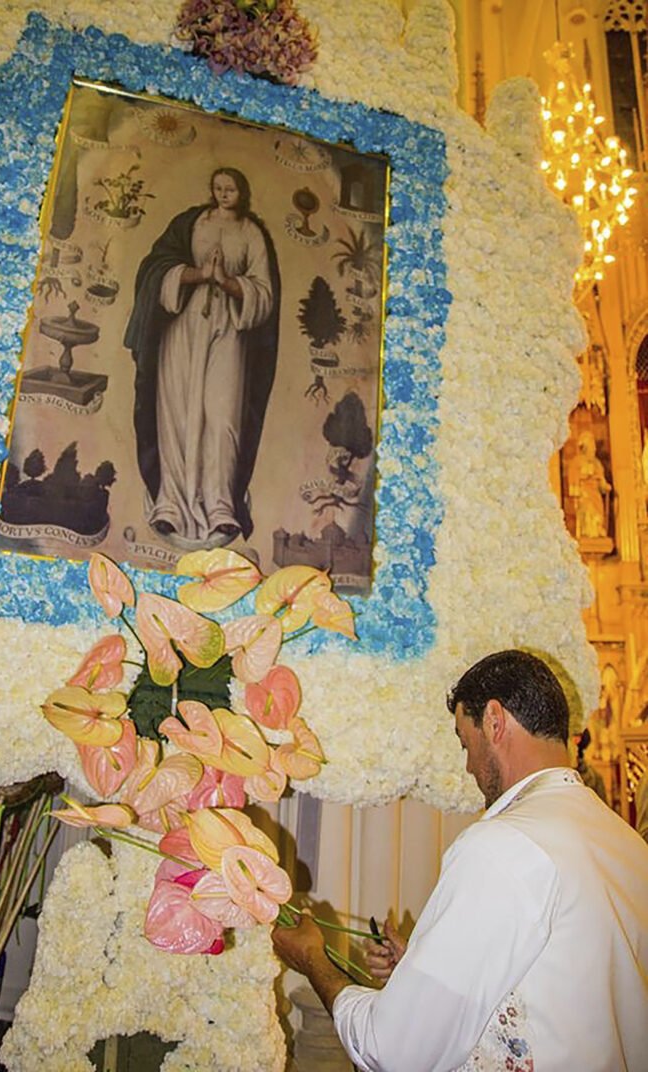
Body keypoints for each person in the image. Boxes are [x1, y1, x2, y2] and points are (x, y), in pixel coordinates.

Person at [272, 650, 648, 1071]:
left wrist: (313, 960)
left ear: (494, 720)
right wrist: (425, 966)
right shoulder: (628, 846)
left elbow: (394, 1052)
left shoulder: (502, 844)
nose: (468, 766)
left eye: (465, 743)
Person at [124, 167, 280, 545]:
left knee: (224, 416)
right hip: (183, 325)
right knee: (175, 414)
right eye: (219, 187)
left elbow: (265, 294)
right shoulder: (190, 223)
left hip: (229, 329)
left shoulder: (252, 233)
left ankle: (220, 505)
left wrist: (228, 282)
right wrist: (196, 275)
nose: (224, 193)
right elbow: (155, 269)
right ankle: (171, 504)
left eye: (231, 188)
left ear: (242, 192)